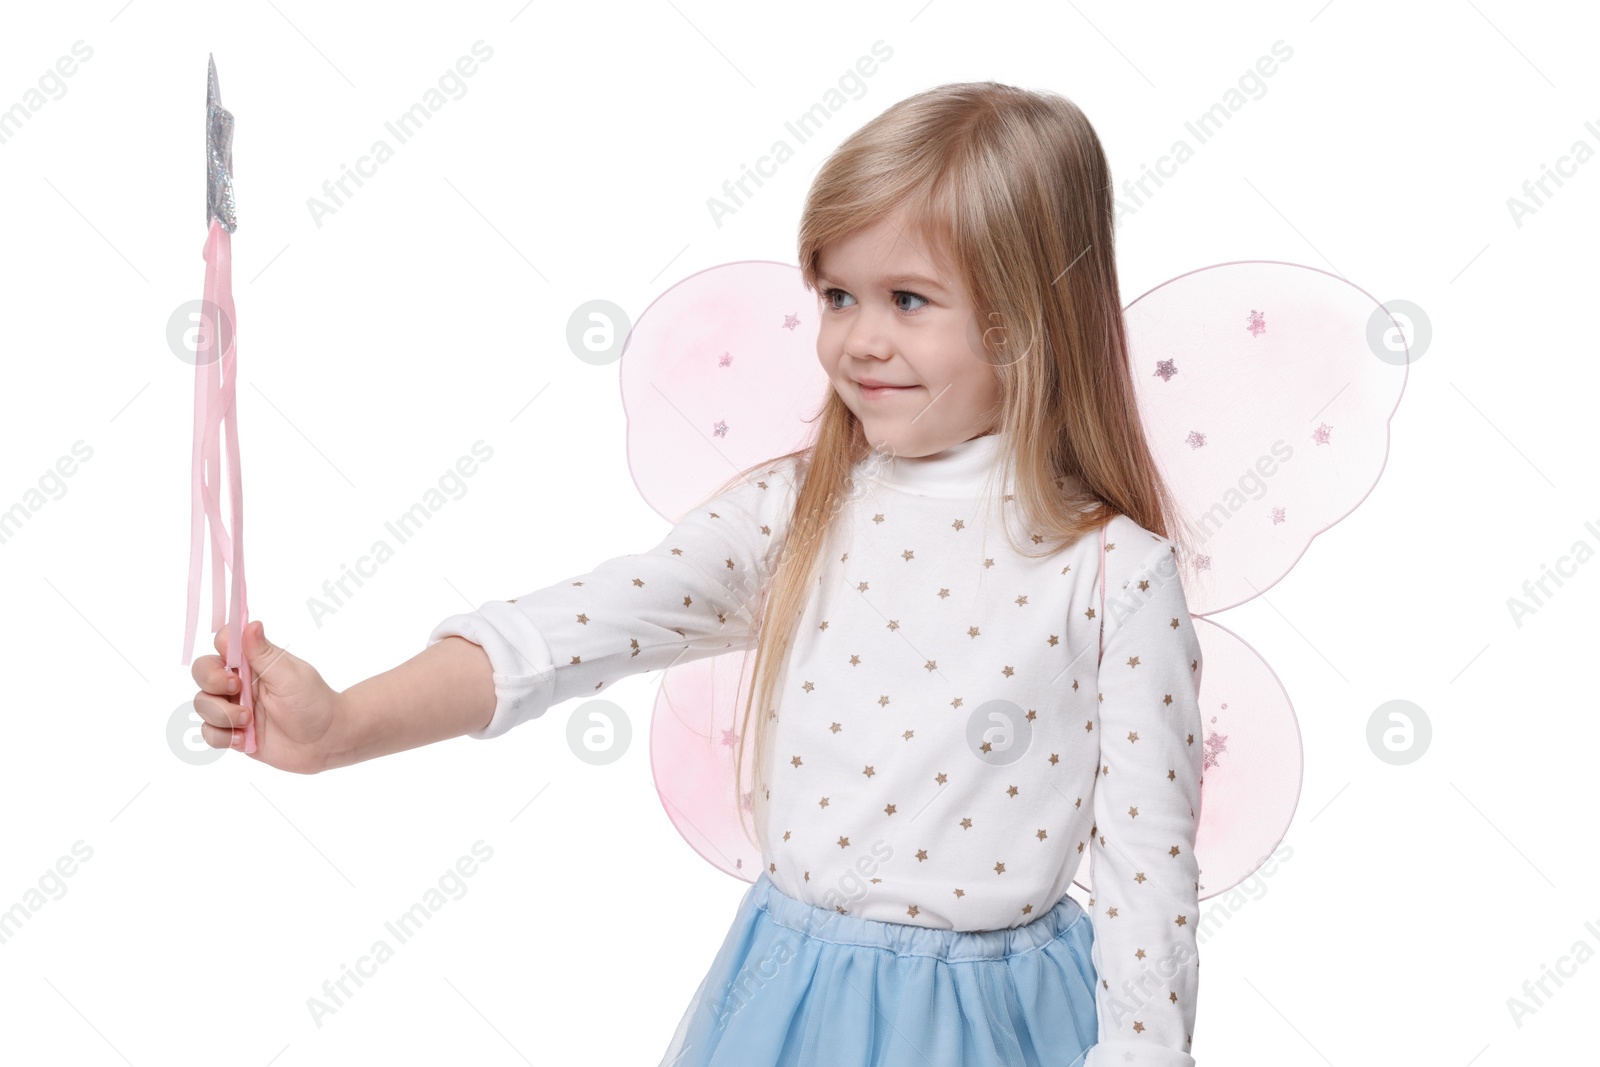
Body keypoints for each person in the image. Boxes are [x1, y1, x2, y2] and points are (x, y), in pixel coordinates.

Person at [191, 81, 1205, 1066]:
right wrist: (342, 725)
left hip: (997, 1024)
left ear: (1029, 316)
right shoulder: (799, 513)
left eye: (908, 298)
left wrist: (1146, 1049)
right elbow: (569, 630)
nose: (858, 338)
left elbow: (1146, 864)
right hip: (791, 1001)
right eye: (838, 294)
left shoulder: (1111, 571)